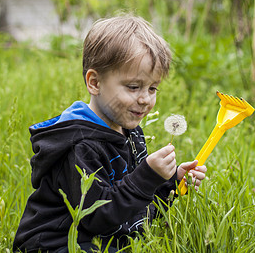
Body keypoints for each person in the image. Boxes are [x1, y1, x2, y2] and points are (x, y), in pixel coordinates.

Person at [13, 15, 207, 253]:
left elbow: (133, 203)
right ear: (94, 82)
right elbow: (96, 216)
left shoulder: (131, 133)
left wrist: (170, 183)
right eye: (133, 87)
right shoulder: (80, 145)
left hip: (101, 242)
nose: (145, 98)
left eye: (152, 88)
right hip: (57, 244)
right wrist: (146, 176)